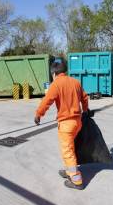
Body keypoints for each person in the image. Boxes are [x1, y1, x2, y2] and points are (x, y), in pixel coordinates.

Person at [34, 61, 88, 190]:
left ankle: (76, 180)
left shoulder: (56, 84)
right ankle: (69, 171)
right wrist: (85, 110)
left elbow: (46, 101)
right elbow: (84, 98)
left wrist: (38, 114)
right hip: (77, 122)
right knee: (70, 148)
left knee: (67, 151)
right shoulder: (75, 82)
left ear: (54, 73)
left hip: (66, 125)